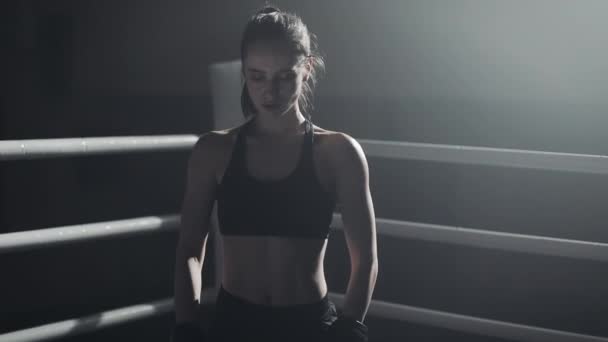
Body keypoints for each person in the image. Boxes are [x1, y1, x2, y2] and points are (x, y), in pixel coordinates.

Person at [172, 5, 378, 342]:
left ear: (307, 69)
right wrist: (186, 326)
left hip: (309, 325)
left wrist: (349, 328)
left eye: (284, 76)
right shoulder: (213, 151)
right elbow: (189, 250)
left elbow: (366, 258)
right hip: (233, 323)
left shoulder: (339, 153)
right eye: (257, 76)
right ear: (244, 73)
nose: (270, 91)